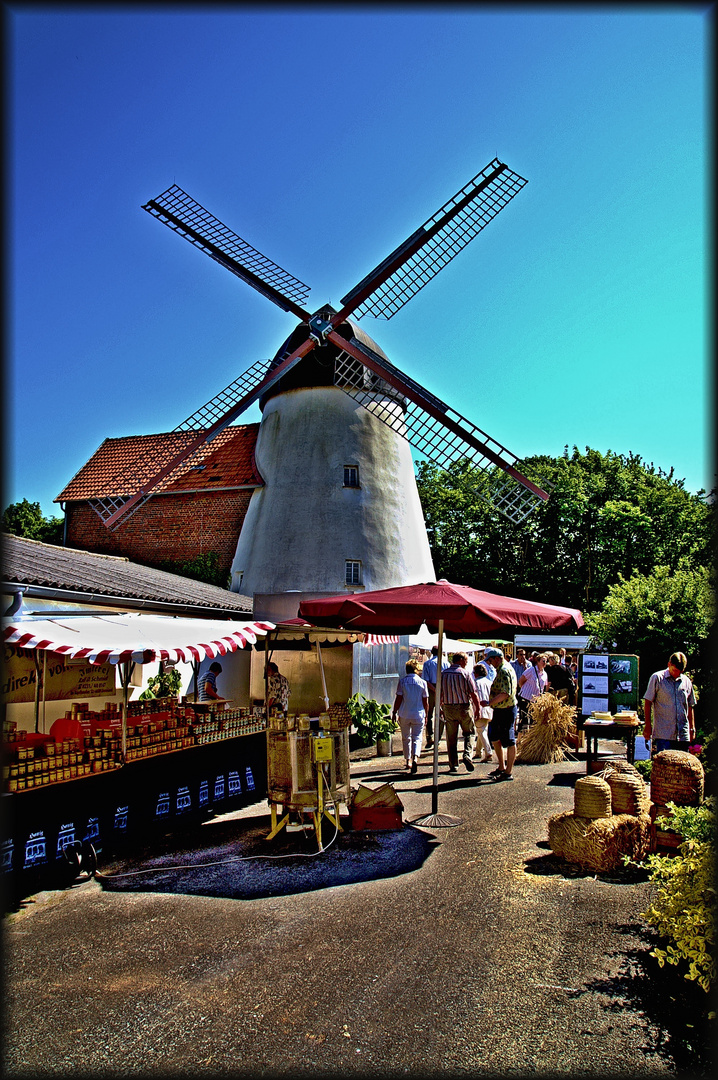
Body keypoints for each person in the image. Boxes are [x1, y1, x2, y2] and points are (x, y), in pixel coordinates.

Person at [643, 651, 696, 753]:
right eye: (674, 670)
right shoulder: (657, 678)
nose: (676, 674)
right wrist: (648, 726)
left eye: (679, 672)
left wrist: (692, 728)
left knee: (682, 767)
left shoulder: (686, 681)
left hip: (682, 735)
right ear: (669, 664)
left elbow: (690, 706)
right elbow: (648, 702)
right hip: (664, 735)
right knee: (664, 767)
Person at [440, 652, 480, 773]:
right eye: (466, 660)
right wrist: (477, 708)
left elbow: (440, 692)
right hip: (463, 707)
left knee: (451, 737)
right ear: (461, 660)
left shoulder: (443, 674)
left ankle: (453, 765)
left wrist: (440, 707)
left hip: (448, 707)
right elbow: (473, 692)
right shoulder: (465, 673)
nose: (467, 663)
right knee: (469, 733)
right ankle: (467, 755)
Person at [484, 647, 519, 781]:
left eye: (491, 660)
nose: (490, 662)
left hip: (506, 709)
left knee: (509, 740)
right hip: (501, 709)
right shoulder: (503, 668)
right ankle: (501, 766)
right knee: (494, 737)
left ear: (498, 658)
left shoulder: (504, 670)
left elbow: (505, 693)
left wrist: (489, 702)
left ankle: (508, 771)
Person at [392, 660, 429, 774]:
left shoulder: (402, 682)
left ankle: (408, 760)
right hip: (418, 713)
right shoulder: (423, 682)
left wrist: (394, 712)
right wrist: (426, 714)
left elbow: (399, 698)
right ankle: (415, 758)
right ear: (417, 669)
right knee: (417, 737)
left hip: (405, 713)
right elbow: (425, 700)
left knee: (406, 737)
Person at [421, 645, 450, 750]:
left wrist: (434, 689)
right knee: (441, 714)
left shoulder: (427, 663)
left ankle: (430, 736)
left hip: (431, 689)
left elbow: (426, 680)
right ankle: (438, 738)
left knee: (429, 714)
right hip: (443, 689)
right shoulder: (446, 663)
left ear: (432, 652)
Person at [517, 653, 548, 731]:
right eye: (543, 661)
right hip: (525, 698)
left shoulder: (544, 674)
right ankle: (520, 739)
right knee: (524, 719)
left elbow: (544, 686)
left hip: (535, 701)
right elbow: (521, 681)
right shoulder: (531, 670)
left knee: (532, 720)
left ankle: (528, 738)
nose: (545, 663)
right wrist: (525, 690)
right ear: (538, 661)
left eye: (546, 661)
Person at [472, 661, 494, 763]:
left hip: (479, 709)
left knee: (481, 731)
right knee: (482, 730)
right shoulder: (489, 682)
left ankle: (488, 752)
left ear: (476, 673)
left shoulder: (475, 683)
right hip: (489, 709)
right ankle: (478, 752)